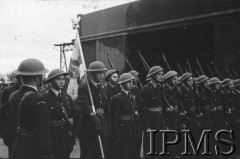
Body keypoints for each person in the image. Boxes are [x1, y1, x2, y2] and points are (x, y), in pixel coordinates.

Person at [3, 58, 53, 159]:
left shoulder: (13, 96)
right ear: (36, 78)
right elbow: (44, 132)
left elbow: (6, 125)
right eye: (42, 75)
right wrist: (47, 154)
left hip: (16, 148)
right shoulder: (38, 99)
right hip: (34, 150)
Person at [76, 61, 109, 159]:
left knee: (101, 153)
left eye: (103, 73)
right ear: (92, 73)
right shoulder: (84, 87)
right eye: (99, 73)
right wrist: (94, 118)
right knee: (88, 154)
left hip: (102, 124)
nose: (102, 75)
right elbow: (84, 105)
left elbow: (105, 107)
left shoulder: (102, 87)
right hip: (89, 126)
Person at [41, 69, 75, 159]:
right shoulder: (44, 97)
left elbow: (71, 119)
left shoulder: (67, 97)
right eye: (58, 79)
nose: (61, 82)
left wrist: (72, 140)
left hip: (65, 139)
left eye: (63, 79)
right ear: (51, 81)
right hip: (52, 139)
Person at [111, 73, 140, 159]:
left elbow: (135, 114)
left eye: (132, 82)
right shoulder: (117, 98)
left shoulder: (132, 97)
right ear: (122, 84)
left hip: (133, 130)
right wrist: (116, 134)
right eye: (128, 82)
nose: (131, 84)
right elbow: (114, 118)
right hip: (123, 131)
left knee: (133, 154)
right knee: (124, 154)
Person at [140, 66, 165, 158]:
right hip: (151, 121)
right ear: (153, 75)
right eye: (159, 74)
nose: (161, 76)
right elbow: (144, 109)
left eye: (162, 74)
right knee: (150, 148)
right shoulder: (146, 89)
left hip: (159, 120)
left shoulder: (160, 88)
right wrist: (147, 126)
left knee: (159, 147)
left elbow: (161, 106)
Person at [0, 72, 22, 155]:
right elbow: (3, 108)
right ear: (17, 78)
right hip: (12, 128)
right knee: (13, 152)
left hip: (25, 129)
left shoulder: (31, 89)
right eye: (19, 77)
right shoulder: (8, 90)